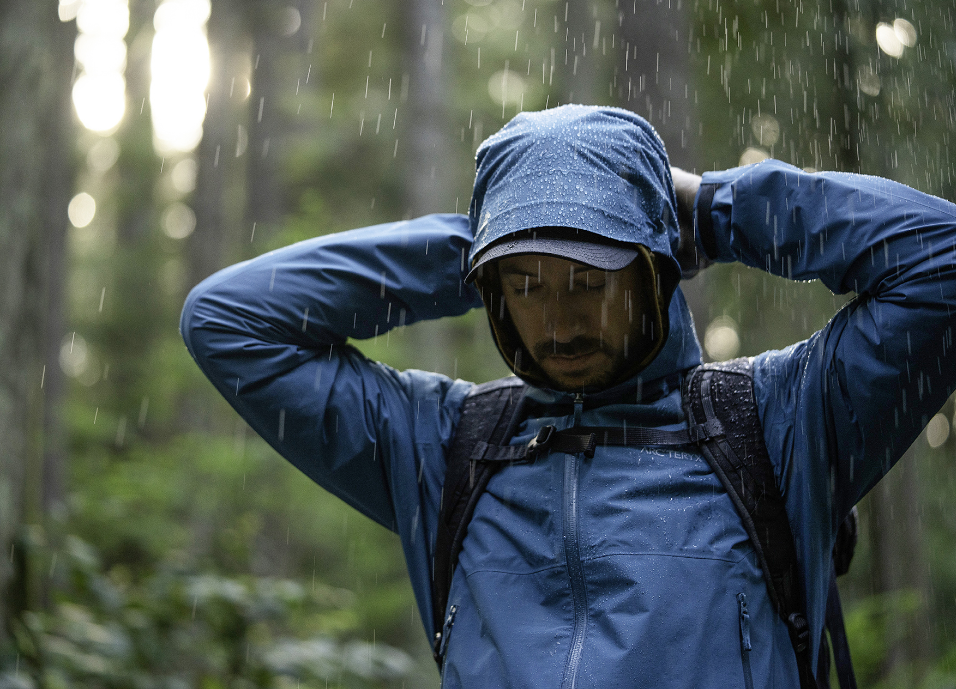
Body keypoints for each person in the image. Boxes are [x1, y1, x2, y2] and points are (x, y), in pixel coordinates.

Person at [180, 105, 956, 688]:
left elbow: (941, 263)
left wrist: (708, 213)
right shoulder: (446, 446)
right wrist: (498, 232)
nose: (557, 318)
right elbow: (228, 320)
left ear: (656, 272)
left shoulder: (777, 422)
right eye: (523, 287)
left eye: (589, 281)